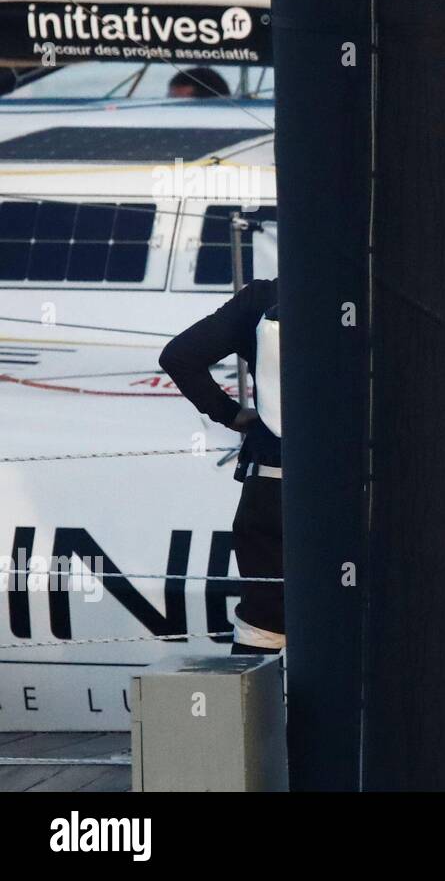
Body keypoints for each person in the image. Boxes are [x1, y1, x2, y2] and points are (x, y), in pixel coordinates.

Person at [160, 278, 283, 654]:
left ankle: (256, 713)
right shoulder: (376, 296)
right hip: (354, 493)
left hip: (270, 491)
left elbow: (179, 356)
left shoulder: (262, 298)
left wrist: (230, 415)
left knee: (261, 630)